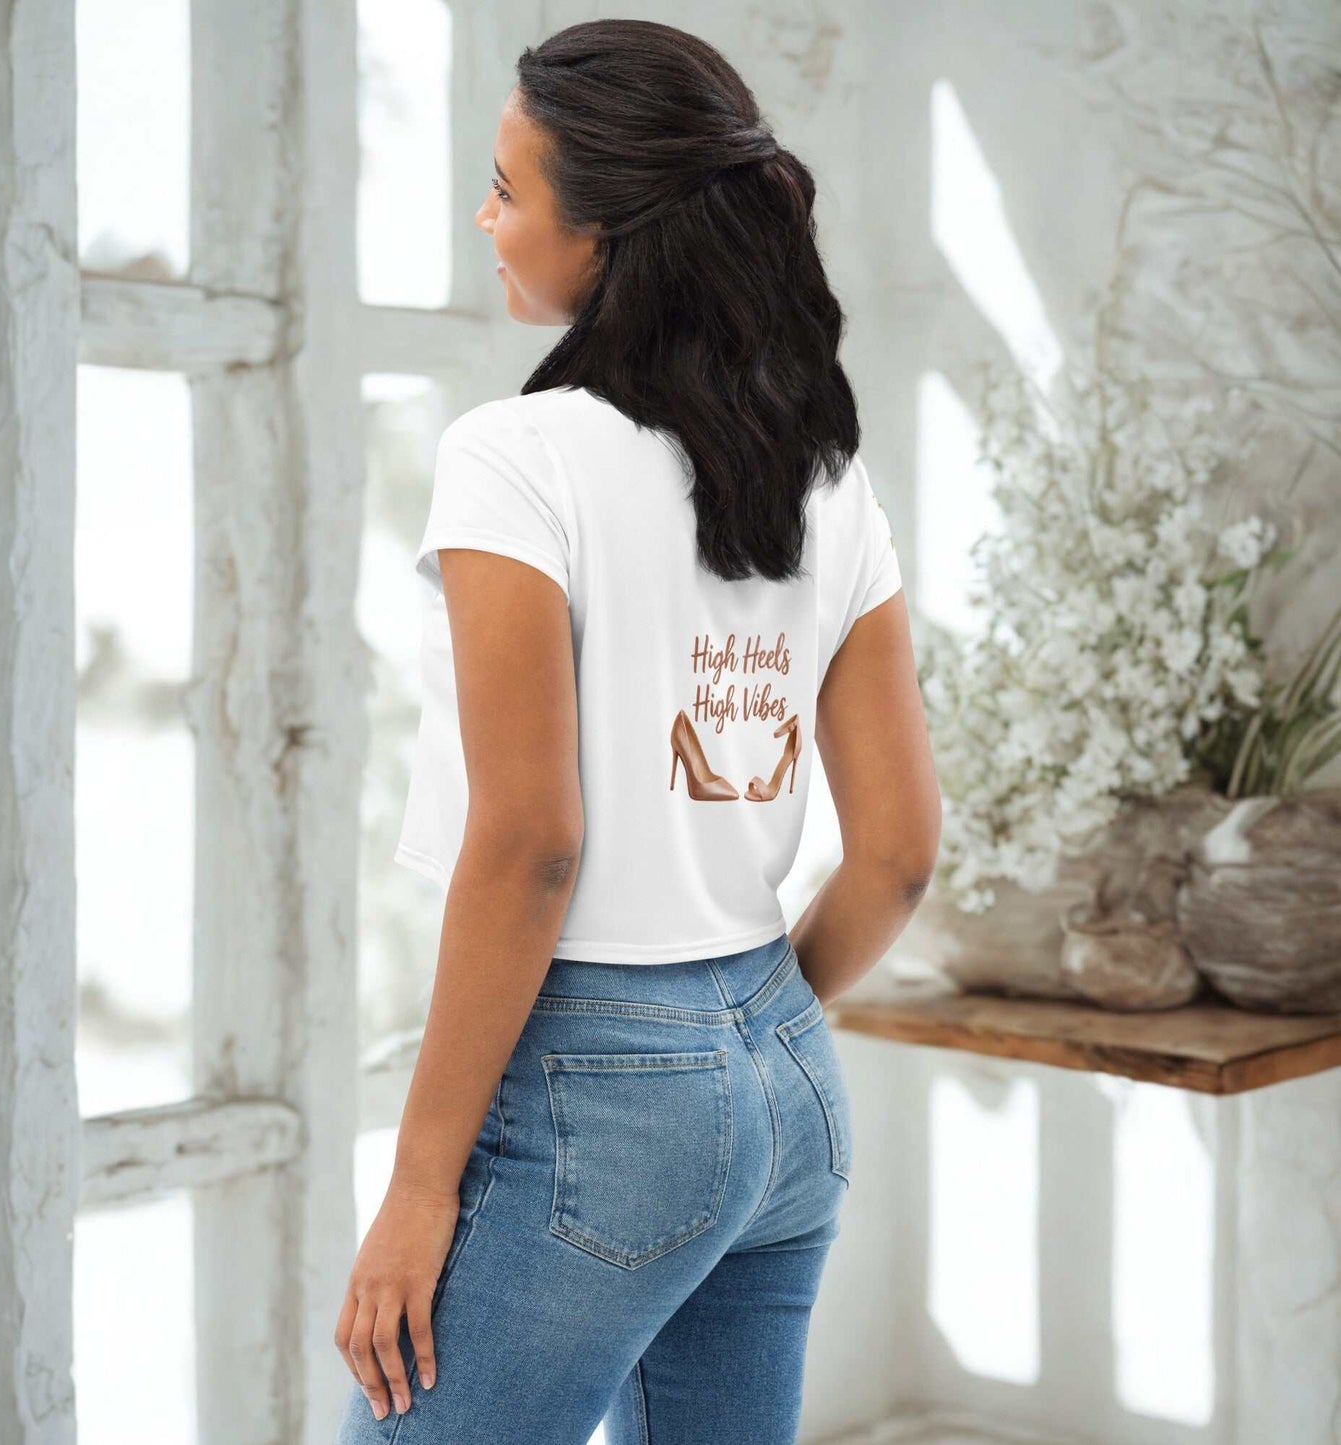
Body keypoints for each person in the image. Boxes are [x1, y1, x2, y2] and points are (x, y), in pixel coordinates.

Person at [333, 18, 941, 1444]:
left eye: (506, 188)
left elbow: (535, 840)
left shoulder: (517, 456)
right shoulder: (825, 475)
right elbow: (900, 855)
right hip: (786, 1079)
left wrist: (417, 1186)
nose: (483, 218)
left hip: (596, 1088)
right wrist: (742, 1040)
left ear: (606, 234)